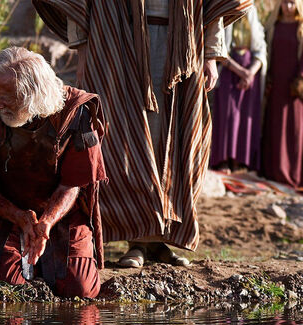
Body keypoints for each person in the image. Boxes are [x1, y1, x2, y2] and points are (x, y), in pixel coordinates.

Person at [32, 0, 252, 268]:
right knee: (127, 138)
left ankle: (158, 240)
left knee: (171, 137)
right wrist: (84, 52)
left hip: (183, 44)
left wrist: (211, 55)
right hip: (118, 43)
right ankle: (137, 241)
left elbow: (213, 5)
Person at [0, 47, 107, 298]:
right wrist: (20, 218)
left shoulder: (75, 114)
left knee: (81, 291)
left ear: (34, 96)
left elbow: (73, 183)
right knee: (8, 291)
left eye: (8, 96)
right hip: (5, 215)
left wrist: (46, 222)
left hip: (63, 217)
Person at [210, 6, 267, 173]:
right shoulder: (225, 11)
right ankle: (223, 160)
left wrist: (250, 73)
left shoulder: (253, 13)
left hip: (250, 74)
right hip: (229, 71)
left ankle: (239, 160)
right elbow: (220, 47)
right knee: (227, 116)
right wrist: (241, 72)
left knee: (245, 117)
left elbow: (260, 49)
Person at [261, 0, 303, 189]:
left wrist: (300, 79)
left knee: (294, 129)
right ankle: (274, 171)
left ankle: (293, 174)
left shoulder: (301, 28)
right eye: (285, 2)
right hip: (275, 84)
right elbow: (266, 51)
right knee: (275, 126)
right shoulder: (272, 27)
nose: (288, 7)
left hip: (294, 87)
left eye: (292, 3)